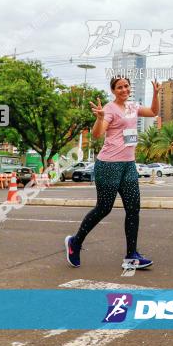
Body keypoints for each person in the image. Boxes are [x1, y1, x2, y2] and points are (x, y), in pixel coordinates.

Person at [65, 77, 160, 269]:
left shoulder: (133, 106)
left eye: (126, 86)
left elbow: (153, 112)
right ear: (113, 90)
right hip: (109, 165)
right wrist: (100, 118)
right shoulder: (109, 109)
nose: (124, 90)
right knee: (104, 208)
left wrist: (156, 94)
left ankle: (131, 256)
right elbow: (97, 134)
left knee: (133, 209)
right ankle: (75, 242)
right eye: (119, 87)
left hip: (128, 165)